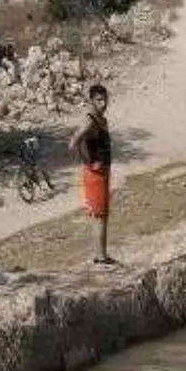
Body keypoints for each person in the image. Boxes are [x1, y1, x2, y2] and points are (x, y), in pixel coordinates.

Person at [69, 84, 117, 265]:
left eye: (105, 99)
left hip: (103, 172)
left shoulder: (102, 119)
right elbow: (74, 142)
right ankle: (101, 257)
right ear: (91, 101)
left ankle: (101, 255)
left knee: (102, 216)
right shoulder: (90, 121)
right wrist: (89, 163)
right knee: (99, 217)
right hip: (95, 174)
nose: (103, 103)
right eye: (99, 100)